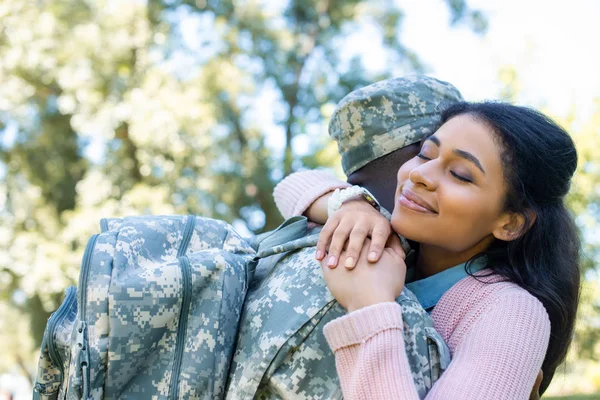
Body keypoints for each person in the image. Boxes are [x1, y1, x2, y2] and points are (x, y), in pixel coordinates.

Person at [274, 100, 580, 398]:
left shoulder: (511, 313)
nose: (420, 174)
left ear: (511, 223)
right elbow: (291, 186)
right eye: (424, 154)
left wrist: (369, 305)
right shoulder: (389, 232)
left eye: (460, 174)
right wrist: (352, 206)